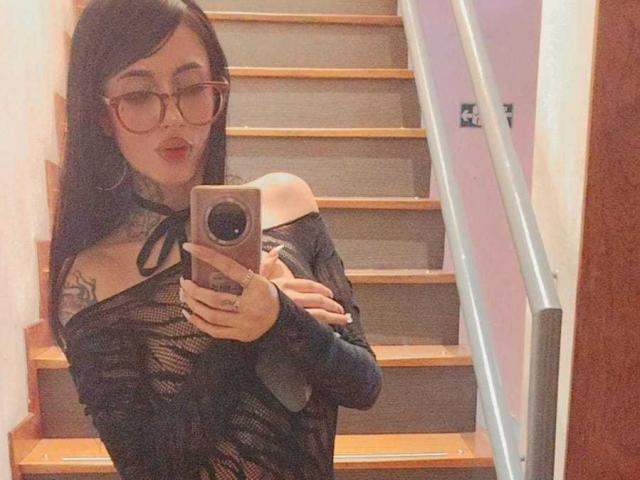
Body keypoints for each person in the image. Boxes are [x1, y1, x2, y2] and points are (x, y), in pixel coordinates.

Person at [47, 1, 382, 479]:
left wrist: (278, 314)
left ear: (217, 90)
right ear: (102, 115)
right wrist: (244, 330)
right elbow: (150, 469)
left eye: (191, 88)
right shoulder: (95, 277)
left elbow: (363, 384)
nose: (173, 117)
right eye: (139, 95)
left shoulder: (286, 203)